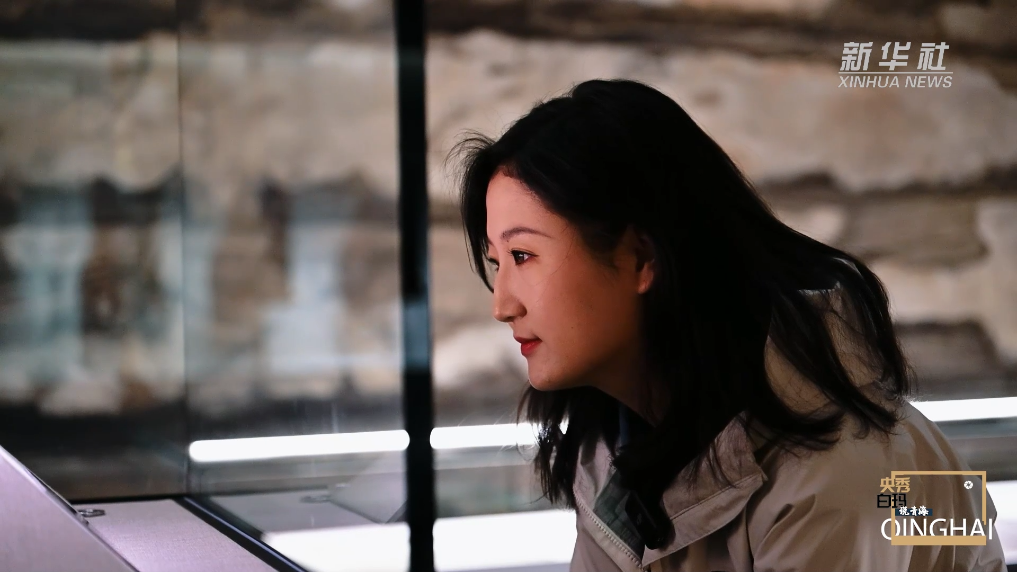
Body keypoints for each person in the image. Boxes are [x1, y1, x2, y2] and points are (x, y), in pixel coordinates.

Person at [447, 78, 1008, 572]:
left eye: (523, 256)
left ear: (641, 258)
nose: (503, 305)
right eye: (496, 263)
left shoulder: (838, 468)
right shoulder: (614, 440)